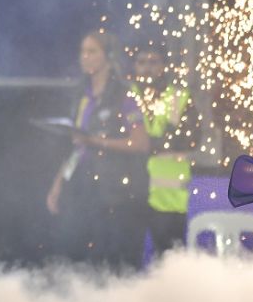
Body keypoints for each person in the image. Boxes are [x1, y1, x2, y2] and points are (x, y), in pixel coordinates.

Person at [45, 30, 149, 271]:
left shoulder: (124, 94)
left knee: (116, 263)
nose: (85, 57)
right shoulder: (81, 96)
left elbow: (141, 143)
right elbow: (77, 146)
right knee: (84, 259)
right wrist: (58, 183)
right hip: (85, 187)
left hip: (118, 194)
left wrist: (97, 141)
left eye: (92, 51)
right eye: (83, 51)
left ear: (108, 56)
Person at [129, 43, 192, 258]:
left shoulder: (178, 98)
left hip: (168, 199)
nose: (147, 68)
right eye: (141, 62)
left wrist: (151, 143)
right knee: (125, 262)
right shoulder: (125, 96)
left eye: (153, 62)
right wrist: (160, 140)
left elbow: (192, 138)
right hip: (128, 193)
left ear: (164, 66)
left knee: (170, 264)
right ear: (134, 66)